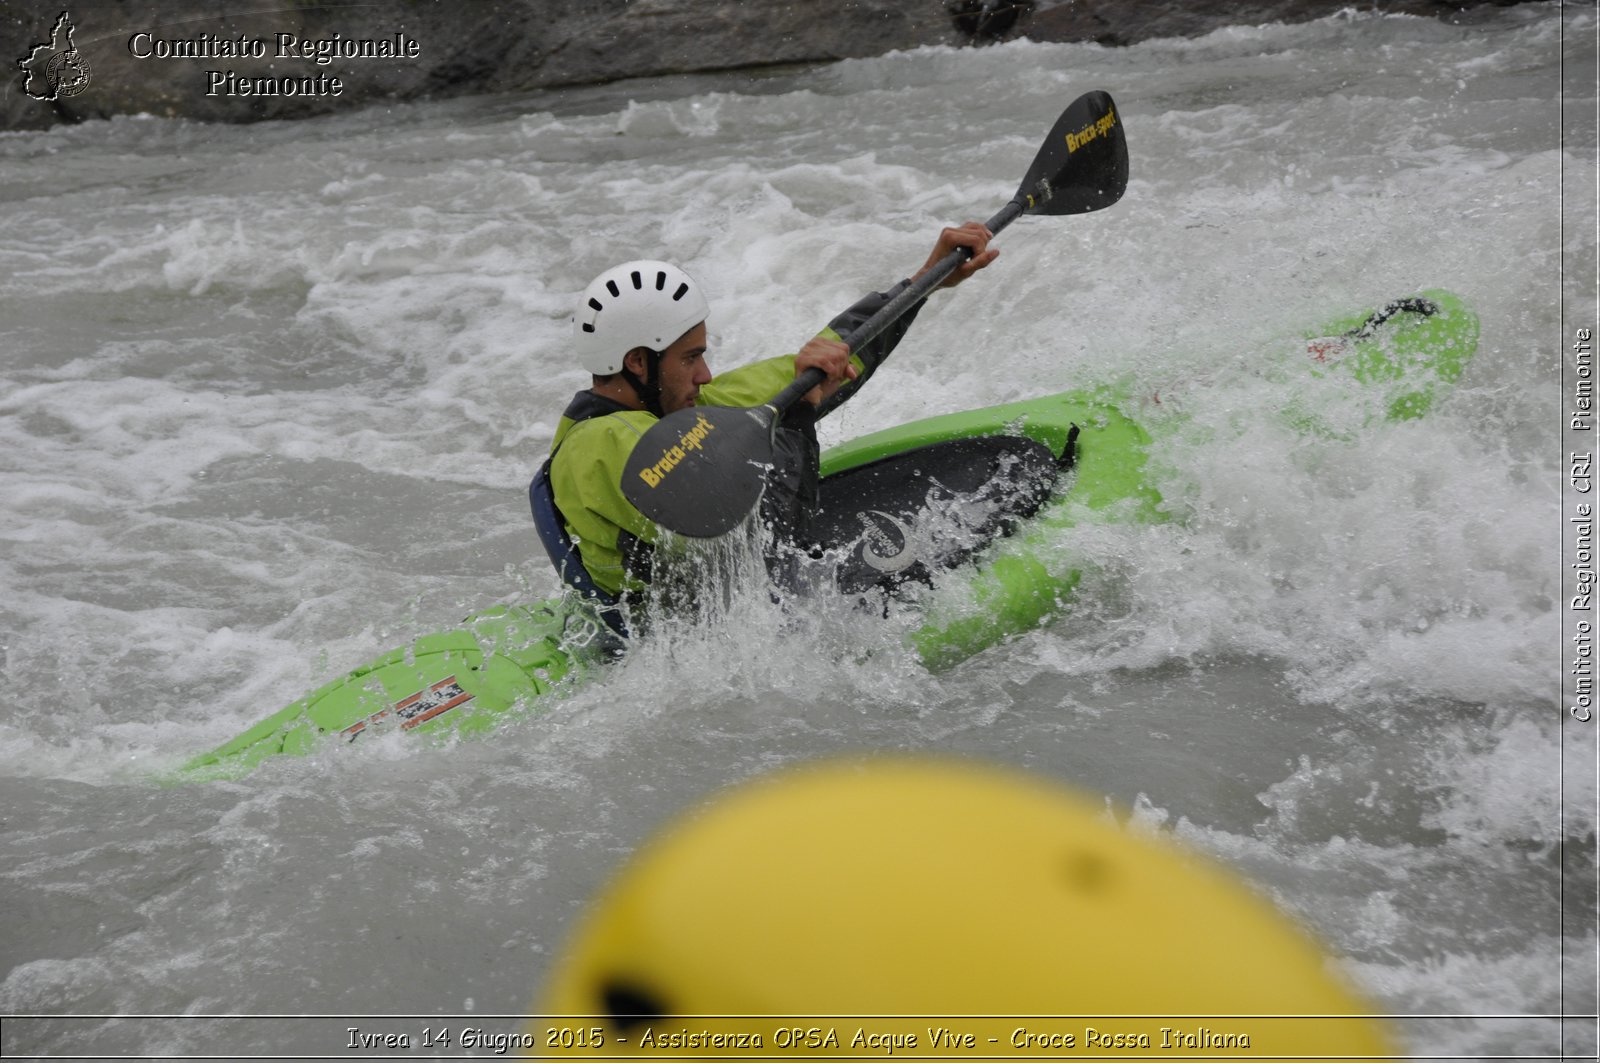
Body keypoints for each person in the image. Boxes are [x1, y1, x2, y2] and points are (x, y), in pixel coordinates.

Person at [534, 223, 999, 629]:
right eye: (691, 358)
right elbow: (740, 514)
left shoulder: (674, 414)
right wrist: (795, 417)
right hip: (670, 635)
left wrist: (924, 281)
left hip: (716, 597)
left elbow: (813, 367)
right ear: (639, 362)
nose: (705, 375)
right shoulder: (602, 448)